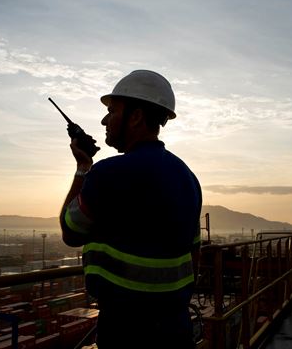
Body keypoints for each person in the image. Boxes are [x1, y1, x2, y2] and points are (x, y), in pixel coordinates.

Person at [59, 70, 202, 348]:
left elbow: (71, 232)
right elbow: (194, 254)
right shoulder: (187, 177)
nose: (104, 120)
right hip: (176, 329)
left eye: (111, 111)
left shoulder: (107, 174)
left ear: (135, 116)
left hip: (126, 330)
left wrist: (83, 169)